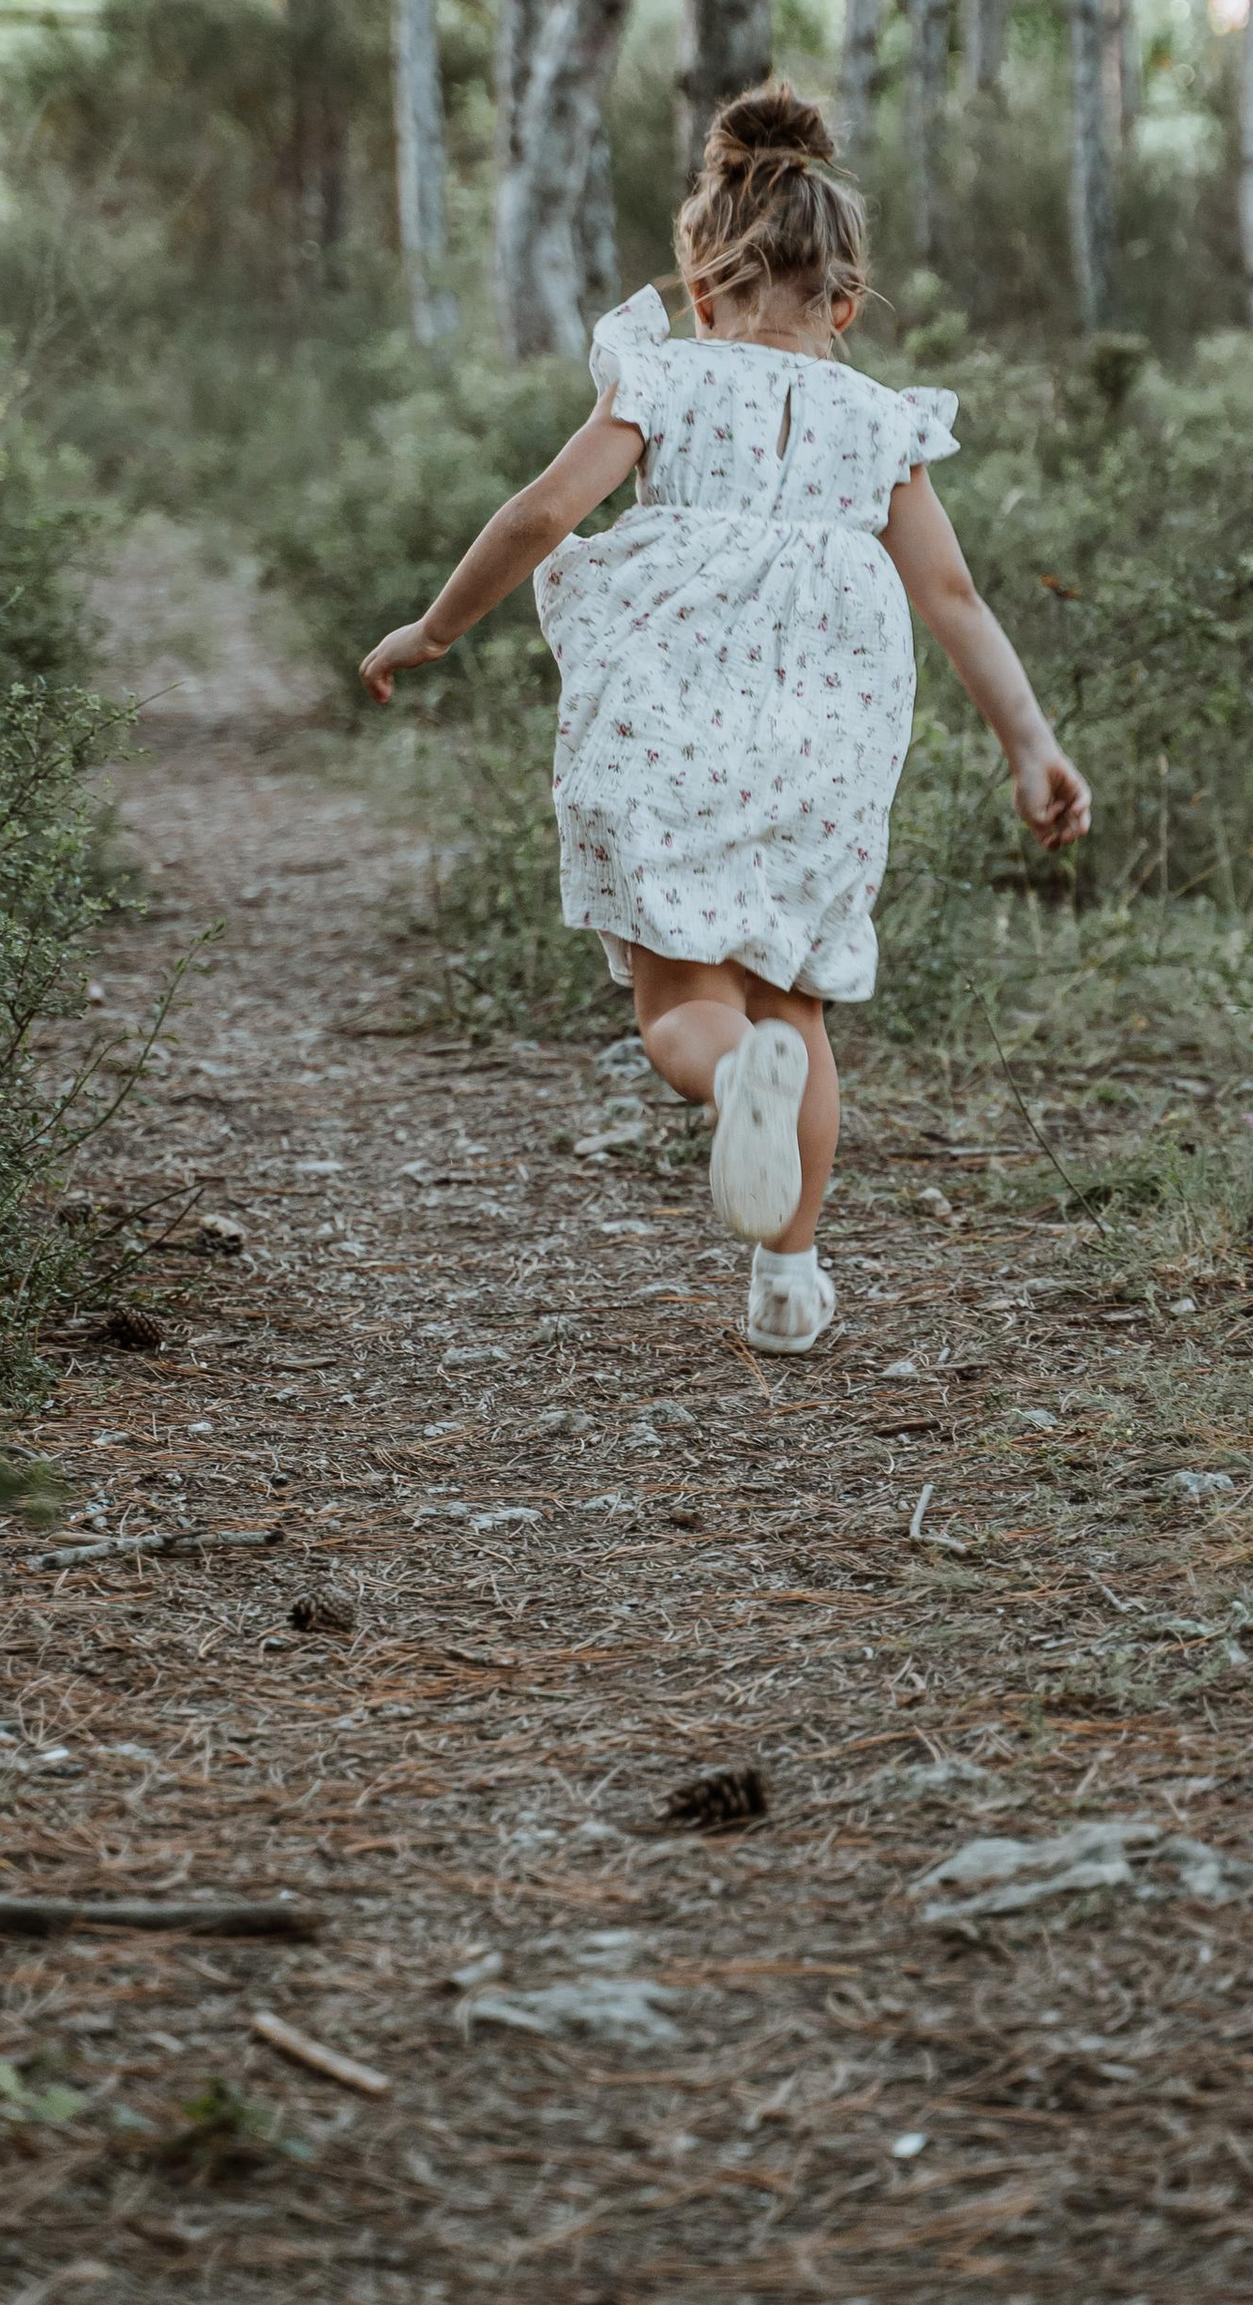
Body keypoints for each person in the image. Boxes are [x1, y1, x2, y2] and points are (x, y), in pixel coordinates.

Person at [360, 81, 1091, 1355]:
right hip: (826, 740)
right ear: (844, 306)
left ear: (703, 291)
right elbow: (955, 597)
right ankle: (790, 1277)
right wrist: (1031, 744)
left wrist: (433, 629)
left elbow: (542, 515)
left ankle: (723, 1074)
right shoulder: (880, 421)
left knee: (680, 1002)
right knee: (795, 1006)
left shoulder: (669, 380)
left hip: (668, 723)